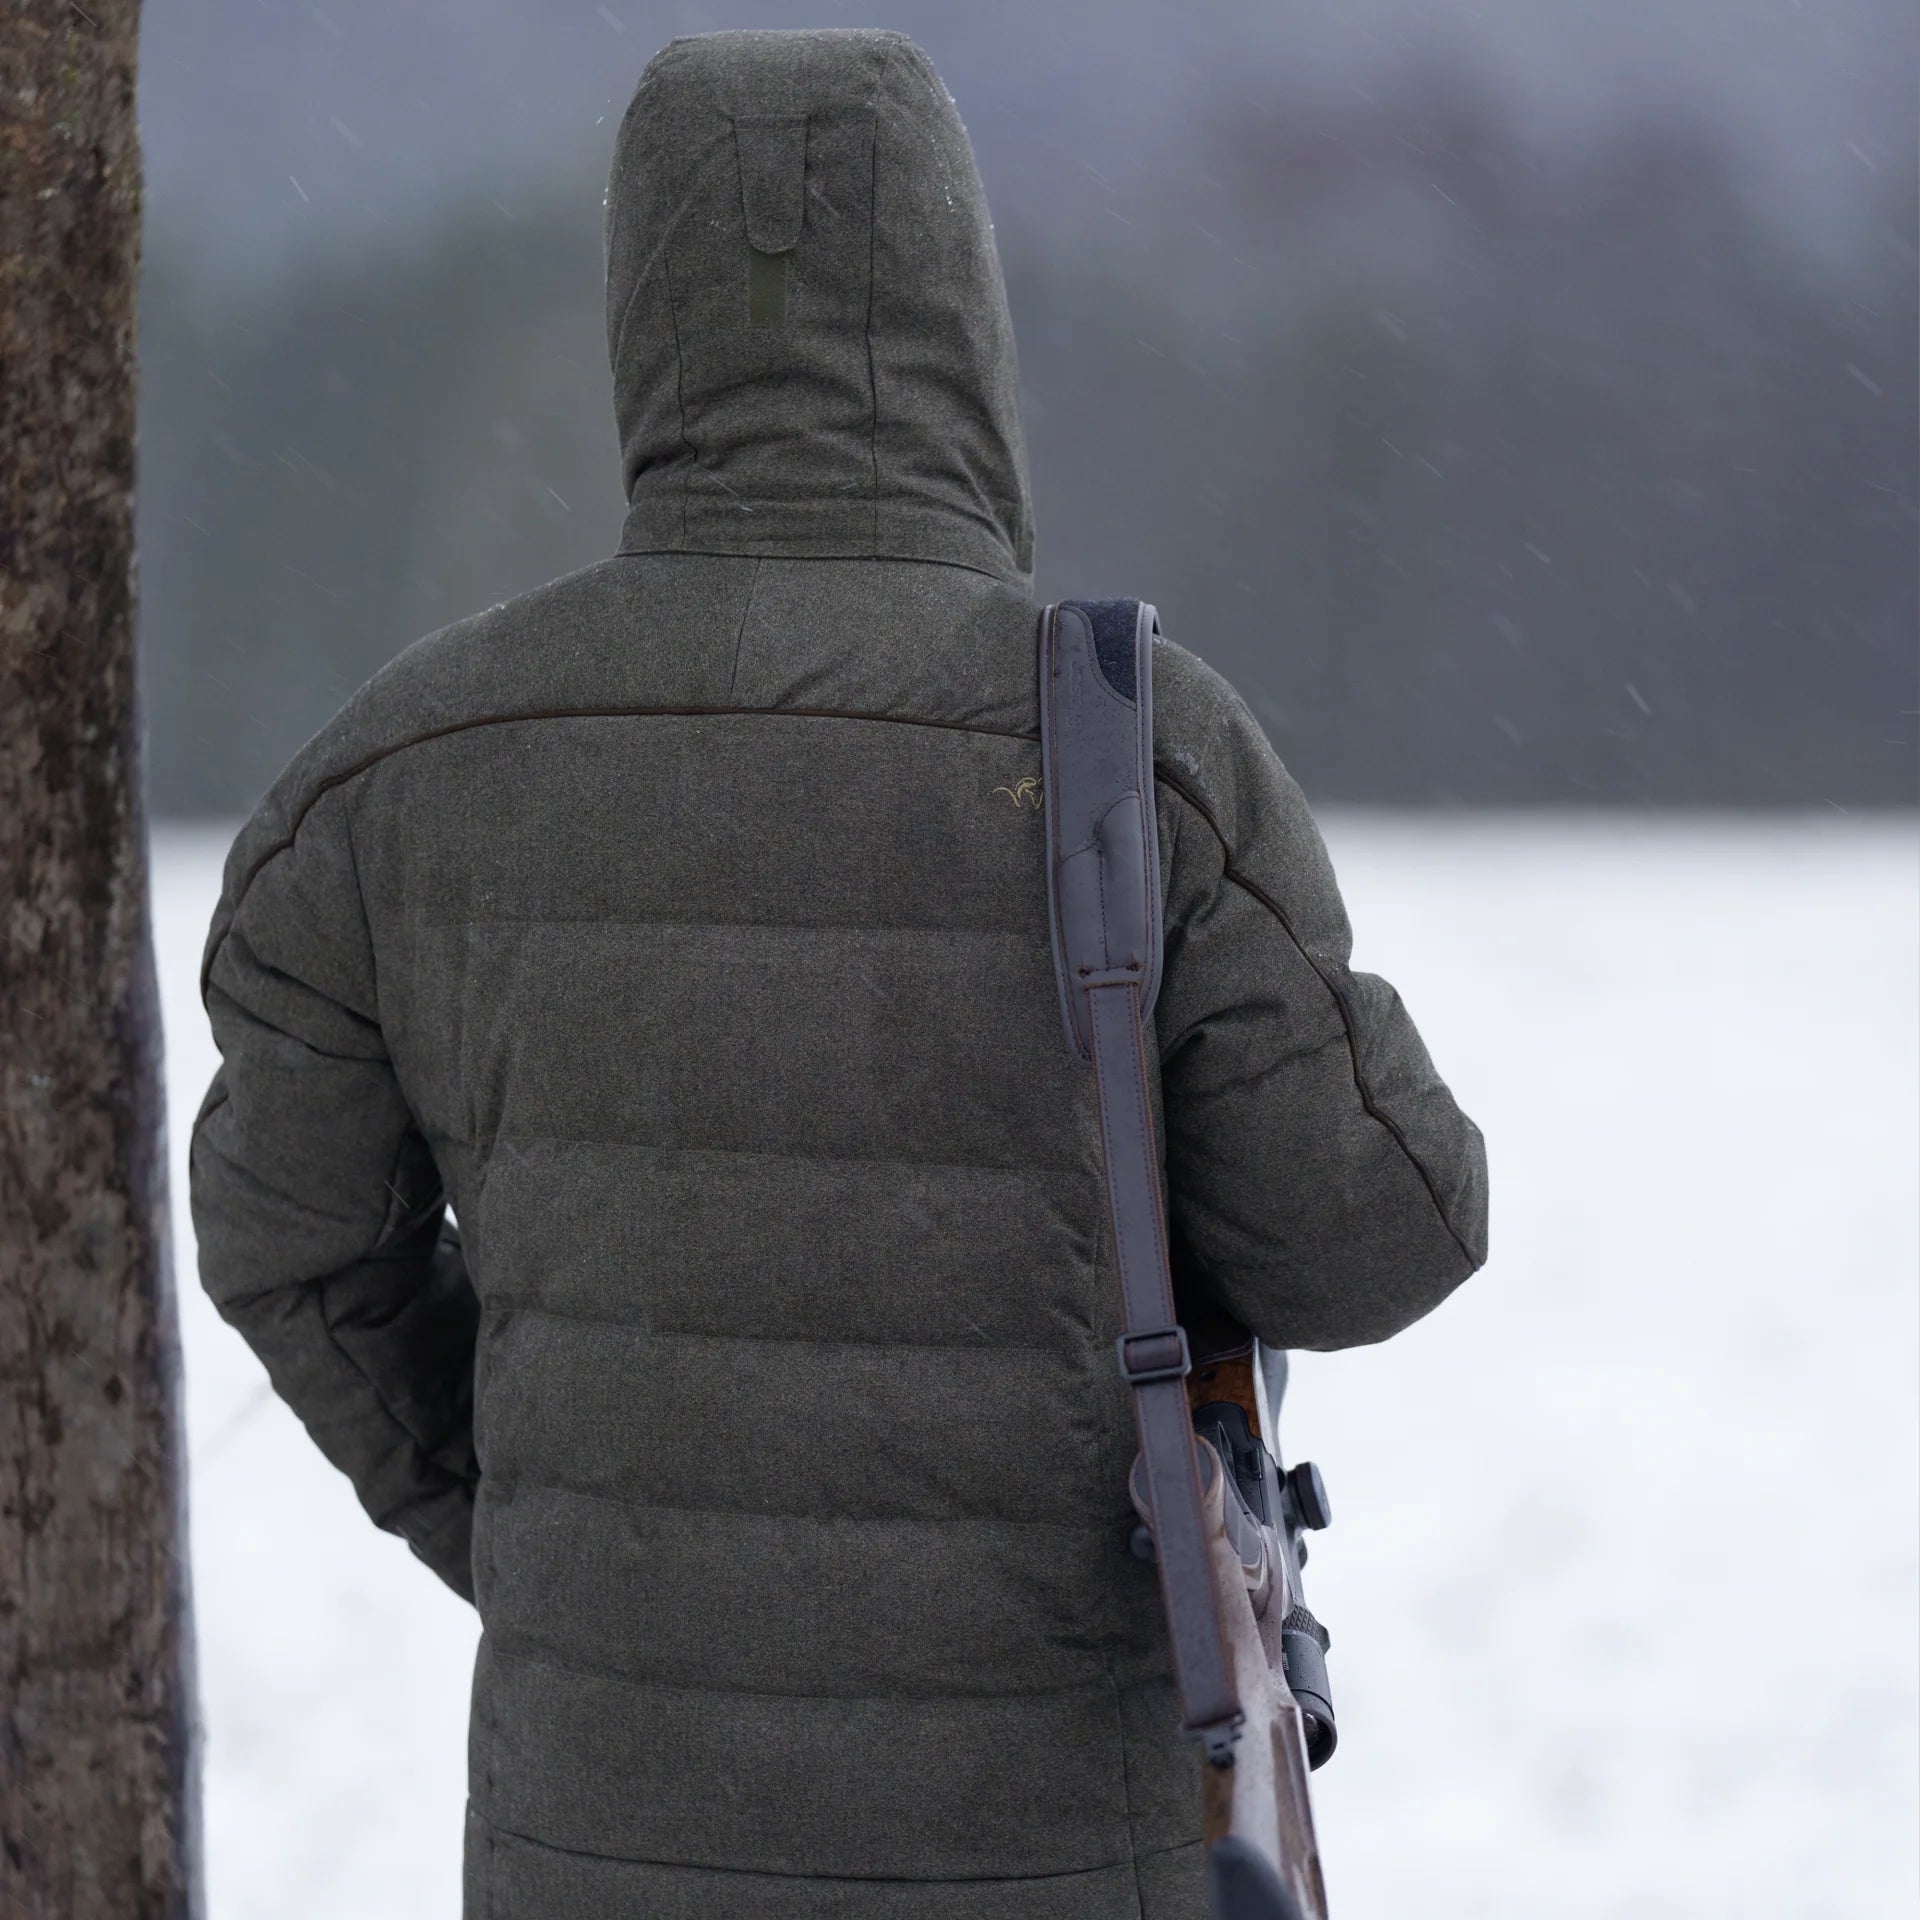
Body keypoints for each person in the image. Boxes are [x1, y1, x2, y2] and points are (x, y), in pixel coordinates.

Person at [188, 26, 1488, 1919]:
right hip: (1062, 1847)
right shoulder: (1132, 742)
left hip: (598, 1841)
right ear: (961, 306)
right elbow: (1390, 1228)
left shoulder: (395, 776)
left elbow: (289, 1240)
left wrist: (553, 1526)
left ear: (642, 304)